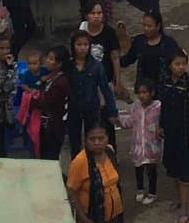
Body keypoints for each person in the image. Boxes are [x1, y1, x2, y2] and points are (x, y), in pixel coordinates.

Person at [157, 49, 189, 223]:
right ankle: (178, 199)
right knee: (174, 168)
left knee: (184, 173)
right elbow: (162, 106)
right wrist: (160, 125)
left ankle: (184, 209)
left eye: (183, 64)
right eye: (177, 64)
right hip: (170, 133)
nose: (180, 67)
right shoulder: (165, 81)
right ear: (170, 65)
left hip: (185, 135)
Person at [64, 29, 117, 159]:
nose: (82, 48)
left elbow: (105, 88)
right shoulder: (68, 65)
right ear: (73, 46)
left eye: (85, 45)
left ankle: (92, 169)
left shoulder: (96, 66)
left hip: (92, 108)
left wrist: (112, 111)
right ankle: (76, 168)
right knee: (74, 142)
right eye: (79, 45)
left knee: (93, 140)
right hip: (73, 108)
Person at [119, 6, 183, 94]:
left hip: (164, 90)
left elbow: (178, 62)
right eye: (144, 25)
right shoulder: (139, 41)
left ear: (158, 26)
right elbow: (129, 59)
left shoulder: (169, 44)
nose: (146, 29)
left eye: (149, 26)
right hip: (144, 91)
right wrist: (113, 60)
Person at [120, 79, 163, 203]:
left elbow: (163, 123)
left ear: (152, 93)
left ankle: (152, 193)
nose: (142, 95)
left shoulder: (158, 107)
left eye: (145, 92)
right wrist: (118, 119)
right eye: (139, 93)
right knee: (138, 168)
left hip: (152, 145)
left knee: (151, 169)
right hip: (138, 145)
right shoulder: (136, 107)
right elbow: (130, 120)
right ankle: (140, 189)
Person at [35, 47, 71, 159]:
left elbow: (44, 102)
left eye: (51, 59)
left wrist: (30, 99)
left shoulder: (60, 82)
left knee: (49, 156)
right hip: (47, 123)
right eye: (48, 57)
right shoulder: (50, 77)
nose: (47, 61)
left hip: (54, 126)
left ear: (59, 63)